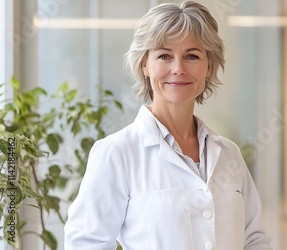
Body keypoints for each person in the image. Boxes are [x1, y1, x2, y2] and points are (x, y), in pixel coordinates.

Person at [64, 1, 271, 249]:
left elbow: (254, 240)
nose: (178, 69)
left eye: (192, 56)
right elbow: (86, 243)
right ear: (145, 65)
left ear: (209, 67)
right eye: (164, 56)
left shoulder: (229, 155)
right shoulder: (116, 153)